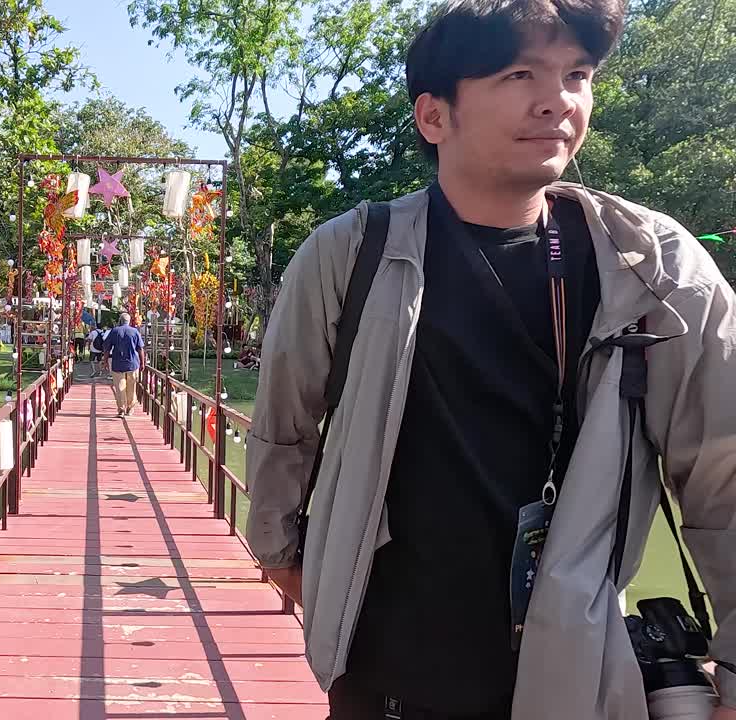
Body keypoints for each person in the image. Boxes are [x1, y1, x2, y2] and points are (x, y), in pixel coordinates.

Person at [245, 1, 736, 719]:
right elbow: (286, 425)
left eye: (577, 73)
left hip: (577, 669)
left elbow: (723, 474)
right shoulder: (351, 255)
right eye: (518, 73)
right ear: (433, 116)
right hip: (388, 671)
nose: (557, 100)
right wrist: (286, 554)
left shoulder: (651, 267)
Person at [105, 313, 145, 418]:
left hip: (118, 363)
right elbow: (140, 349)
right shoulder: (135, 331)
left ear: (120, 321)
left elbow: (107, 347)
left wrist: (105, 361)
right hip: (132, 363)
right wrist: (142, 363)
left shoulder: (114, 331)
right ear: (129, 321)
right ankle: (130, 408)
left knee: (119, 386)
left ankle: (121, 409)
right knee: (131, 386)